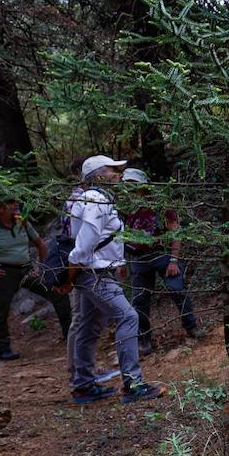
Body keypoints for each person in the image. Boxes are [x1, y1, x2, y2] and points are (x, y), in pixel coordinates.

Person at [66, 155, 162, 405]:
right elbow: (84, 245)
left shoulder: (95, 199)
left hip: (96, 272)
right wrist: (72, 272)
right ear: (99, 176)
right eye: (113, 169)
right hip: (94, 275)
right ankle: (134, 384)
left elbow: (96, 240)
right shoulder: (97, 201)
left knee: (89, 327)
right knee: (128, 317)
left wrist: (115, 263)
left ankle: (83, 386)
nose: (119, 173)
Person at [0, 196, 73, 360]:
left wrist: (42, 269)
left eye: (16, 201)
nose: (16, 205)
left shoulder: (21, 221)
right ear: (0, 207)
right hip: (2, 273)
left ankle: (70, 337)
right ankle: (3, 349)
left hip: (27, 270)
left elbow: (40, 244)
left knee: (58, 293)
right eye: (11, 203)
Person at [122, 168, 202, 356]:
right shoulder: (126, 207)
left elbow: (175, 233)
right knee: (139, 300)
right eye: (127, 185)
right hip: (138, 259)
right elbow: (122, 235)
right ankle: (144, 339)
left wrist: (174, 259)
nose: (130, 189)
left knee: (177, 288)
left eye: (133, 184)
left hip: (162, 255)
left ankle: (191, 326)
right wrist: (122, 261)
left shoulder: (160, 204)